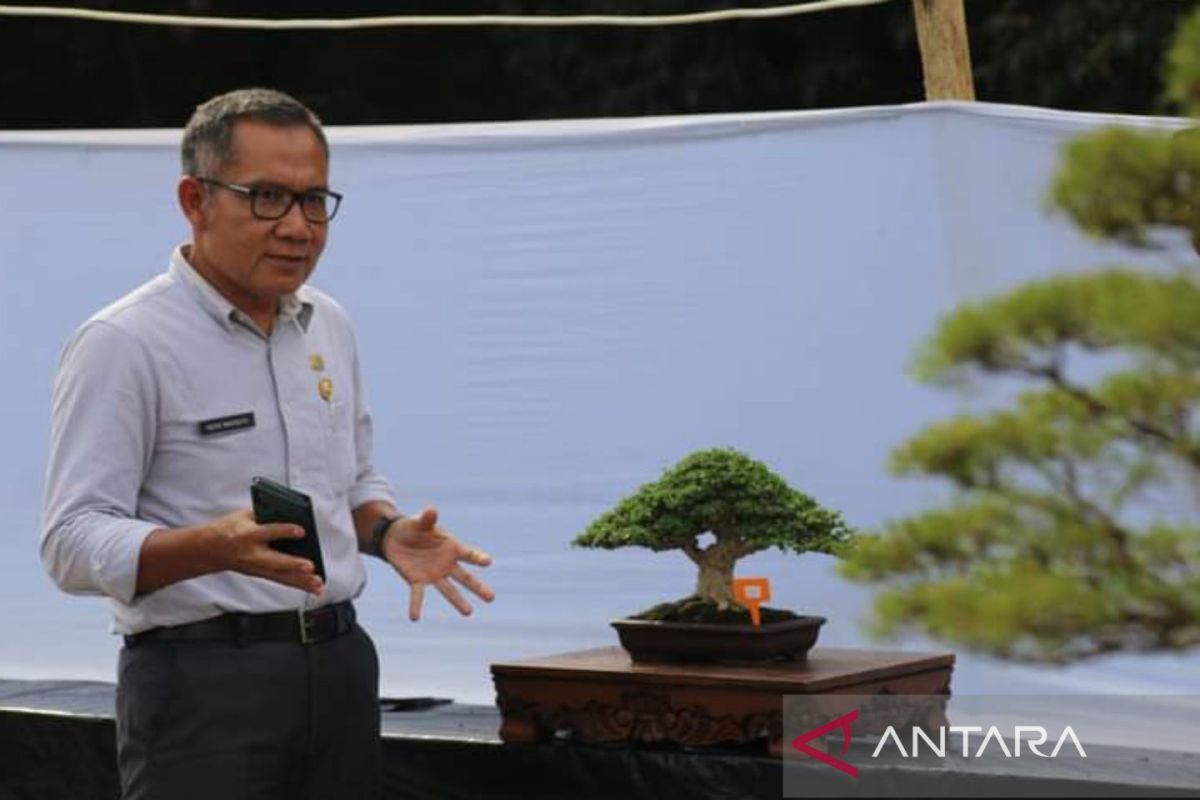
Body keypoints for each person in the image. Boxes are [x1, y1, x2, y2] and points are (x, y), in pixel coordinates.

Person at [40, 87, 494, 799]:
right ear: (195, 200)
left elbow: (352, 482)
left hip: (340, 669)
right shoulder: (124, 343)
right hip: (202, 683)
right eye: (268, 198)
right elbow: (69, 542)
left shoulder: (328, 324)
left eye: (315, 201)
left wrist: (389, 531)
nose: (297, 227)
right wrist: (208, 547)